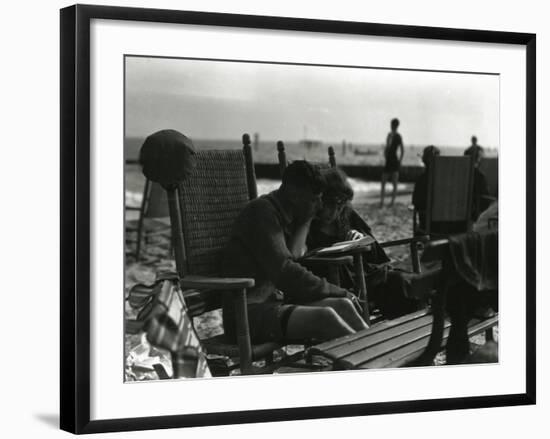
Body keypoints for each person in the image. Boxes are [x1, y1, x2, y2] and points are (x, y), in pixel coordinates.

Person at [221, 161, 369, 345]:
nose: (319, 205)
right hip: (247, 315)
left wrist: (305, 219)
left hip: (272, 304)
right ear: (293, 193)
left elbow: (294, 257)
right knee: (325, 317)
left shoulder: (286, 215)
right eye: (314, 199)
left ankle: (378, 355)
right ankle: (368, 363)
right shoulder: (262, 213)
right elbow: (286, 271)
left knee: (344, 306)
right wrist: (338, 291)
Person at [307, 167, 422, 319]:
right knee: (399, 284)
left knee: (407, 283)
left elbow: (375, 251)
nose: (335, 212)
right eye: (332, 205)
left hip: (365, 274)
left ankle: (412, 331)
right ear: (321, 200)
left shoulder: (346, 215)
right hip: (340, 282)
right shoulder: (308, 223)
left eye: (340, 206)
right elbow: (303, 260)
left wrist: (360, 237)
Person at [380, 118, 404, 207]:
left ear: (396, 126)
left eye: (393, 125)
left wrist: (400, 161)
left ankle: (392, 202)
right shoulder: (389, 135)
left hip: (394, 160)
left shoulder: (398, 136)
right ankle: (382, 201)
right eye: (391, 125)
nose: (392, 126)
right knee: (383, 181)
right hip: (389, 160)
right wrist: (385, 155)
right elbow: (387, 147)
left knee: (394, 182)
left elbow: (402, 150)